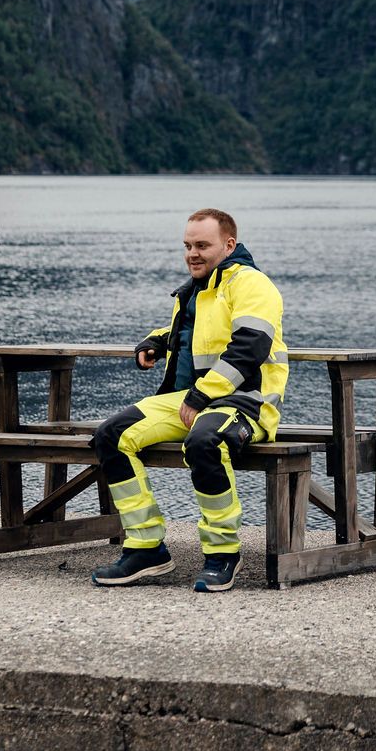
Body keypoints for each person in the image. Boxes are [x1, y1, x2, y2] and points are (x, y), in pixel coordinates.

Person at [89, 208, 288, 593]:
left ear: (229, 245)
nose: (192, 253)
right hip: (192, 400)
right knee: (111, 435)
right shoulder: (200, 288)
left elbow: (250, 346)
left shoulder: (251, 284)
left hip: (247, 402)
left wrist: (201, 395)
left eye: (202, 245)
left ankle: (223, 554)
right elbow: (191, 330)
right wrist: (157, 340)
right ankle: (146, 547)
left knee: (204, 442)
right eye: (187, 245)